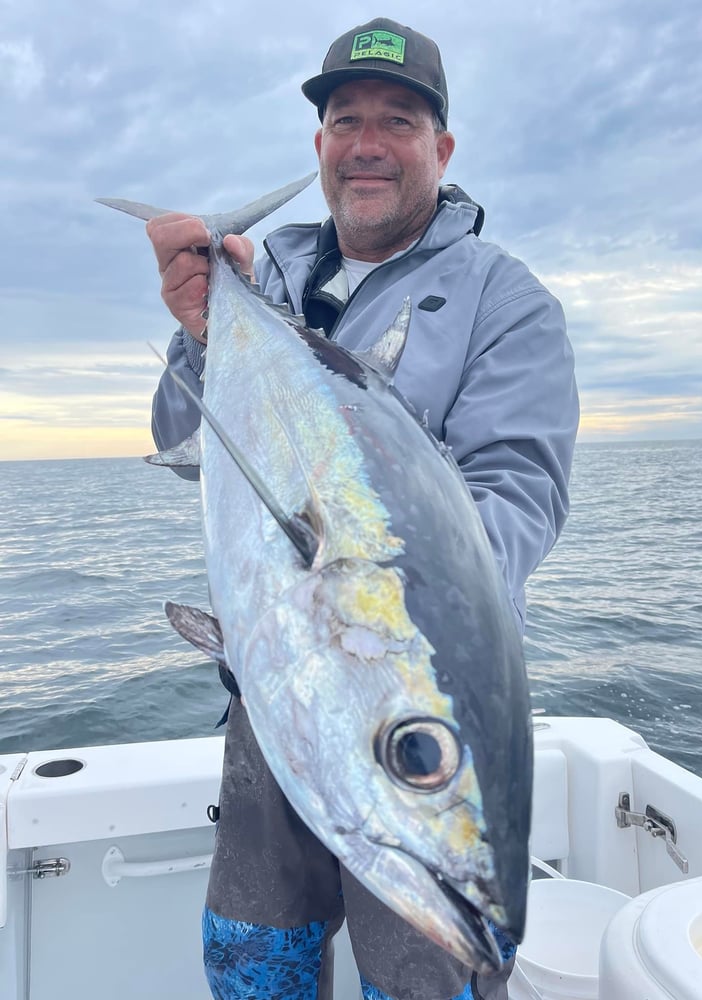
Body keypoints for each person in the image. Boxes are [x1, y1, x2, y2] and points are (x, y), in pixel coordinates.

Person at [147, 17, 579, 1000]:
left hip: (404, 700)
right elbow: (184, 435)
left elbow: (519, 491)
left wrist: (384, 598)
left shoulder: (503, 299)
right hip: (271, 685)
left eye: (398, 120)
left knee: (429, 976)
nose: (369, 143)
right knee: (255, 955)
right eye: (346, 121)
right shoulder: (271, 280)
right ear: (321, 146)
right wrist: (202, 331)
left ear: (443, 148)